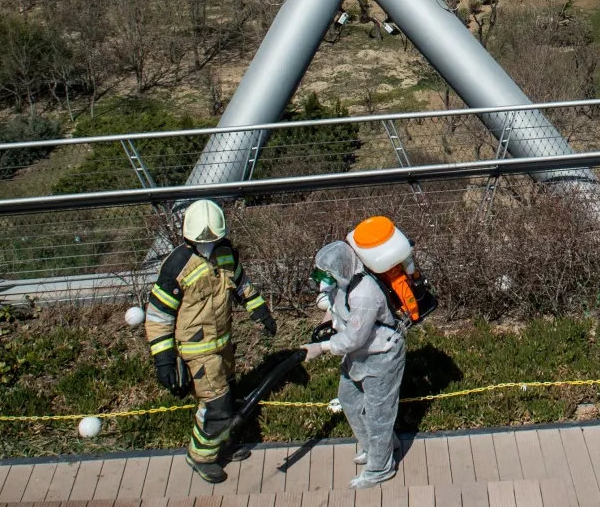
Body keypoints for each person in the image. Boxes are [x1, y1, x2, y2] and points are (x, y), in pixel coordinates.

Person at [143, 199, 277, 484]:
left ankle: (221, 443)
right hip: (196, 351)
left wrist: (259, 310)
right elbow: (158, 317)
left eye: (214, 239)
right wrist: (164, 358)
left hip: (222, 345)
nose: (208, 245)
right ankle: (201, 456)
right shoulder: (177, 266)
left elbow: (241, 284)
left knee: (227, 395)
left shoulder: (227, 253)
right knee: (215, 404)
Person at [304, 215, 419, 489]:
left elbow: (354, 338)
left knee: (380, 413)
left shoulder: (365, 293)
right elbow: (339, 308)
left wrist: (321, 348)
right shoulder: (346, 280)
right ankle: (377, 446)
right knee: (350, 399)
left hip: (382, 355)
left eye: (328, 275)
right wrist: (329, 314)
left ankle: (380, 468)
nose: (325, 280)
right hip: (361, 355)